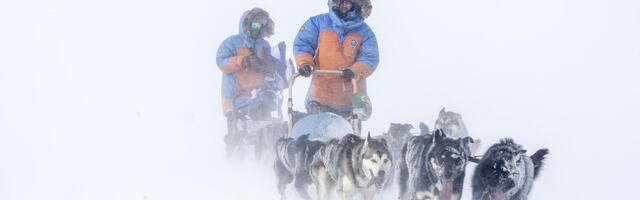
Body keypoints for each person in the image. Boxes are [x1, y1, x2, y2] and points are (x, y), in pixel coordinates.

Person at [293, 0, 379, 118]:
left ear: (356, 4)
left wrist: (354, 71)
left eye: (348, 2)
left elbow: (370, 57)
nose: (343, 5)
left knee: (350, 135)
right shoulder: (317, 23)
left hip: (351, 100)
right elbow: (303, 44)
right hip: (320, 97)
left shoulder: (365, 32)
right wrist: (304, 64)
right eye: (340, 1)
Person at [216, 7, 276, 121]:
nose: (257, 29)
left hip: (260, 99)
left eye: (260, 26)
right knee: (240, 135)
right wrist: (241, 61)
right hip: (235, 100)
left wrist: (263, 66)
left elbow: (273, 68)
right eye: (254, 25)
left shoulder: (264, 45)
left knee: (266, 131)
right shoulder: (231, 43)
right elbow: (220, 62)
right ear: (247, 24)